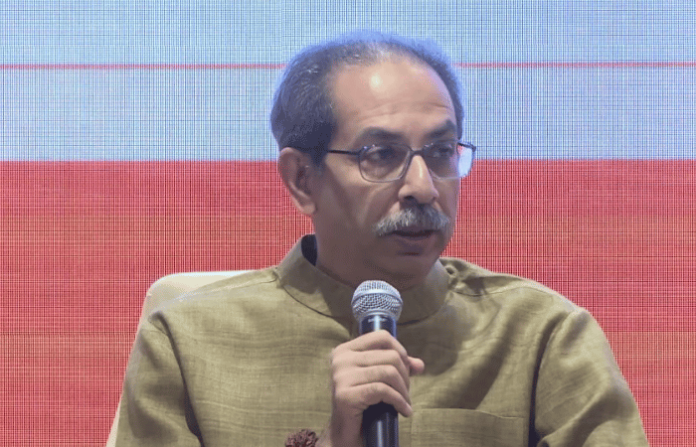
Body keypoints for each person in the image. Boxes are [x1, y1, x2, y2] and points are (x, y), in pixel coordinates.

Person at [112, 32, 649, 446]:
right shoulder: (186, 341)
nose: (423, 187)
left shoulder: (542, 334)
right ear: (302, 180)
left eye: (441, 153)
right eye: (381, 155)